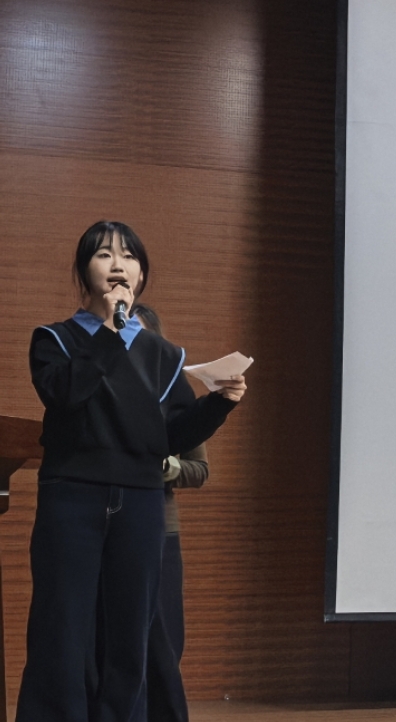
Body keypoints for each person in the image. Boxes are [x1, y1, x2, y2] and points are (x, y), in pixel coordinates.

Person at [18, 221, 246, 722]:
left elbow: (174, 436)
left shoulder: (164, 355)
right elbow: (65, 395)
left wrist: (219, 404)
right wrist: (110, 333)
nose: (118, 264)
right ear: (84, 271)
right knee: (62, 628)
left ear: (141, 274)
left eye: (129, 256)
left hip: (140, 501)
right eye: (104, 254)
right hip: (71, 497)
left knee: (131, 634)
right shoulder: (54, 340)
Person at [132, 303, 208, 722]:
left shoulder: (176, 393)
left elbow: (200, 469)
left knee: (163, 637)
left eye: (140, 333)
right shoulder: (98, 382)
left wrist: (167, 467)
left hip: (161, 529)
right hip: (107, 525)